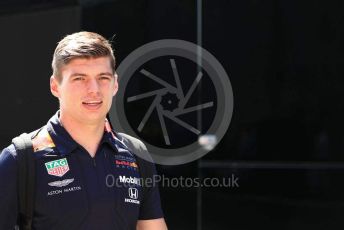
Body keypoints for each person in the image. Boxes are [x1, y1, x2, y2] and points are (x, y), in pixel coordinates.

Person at [0, 31, 168, 230]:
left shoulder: (135, 154)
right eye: (80, 79)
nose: (94, 89)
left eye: (103, 78)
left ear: (115, 84)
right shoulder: (19, 159)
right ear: (55, 86)